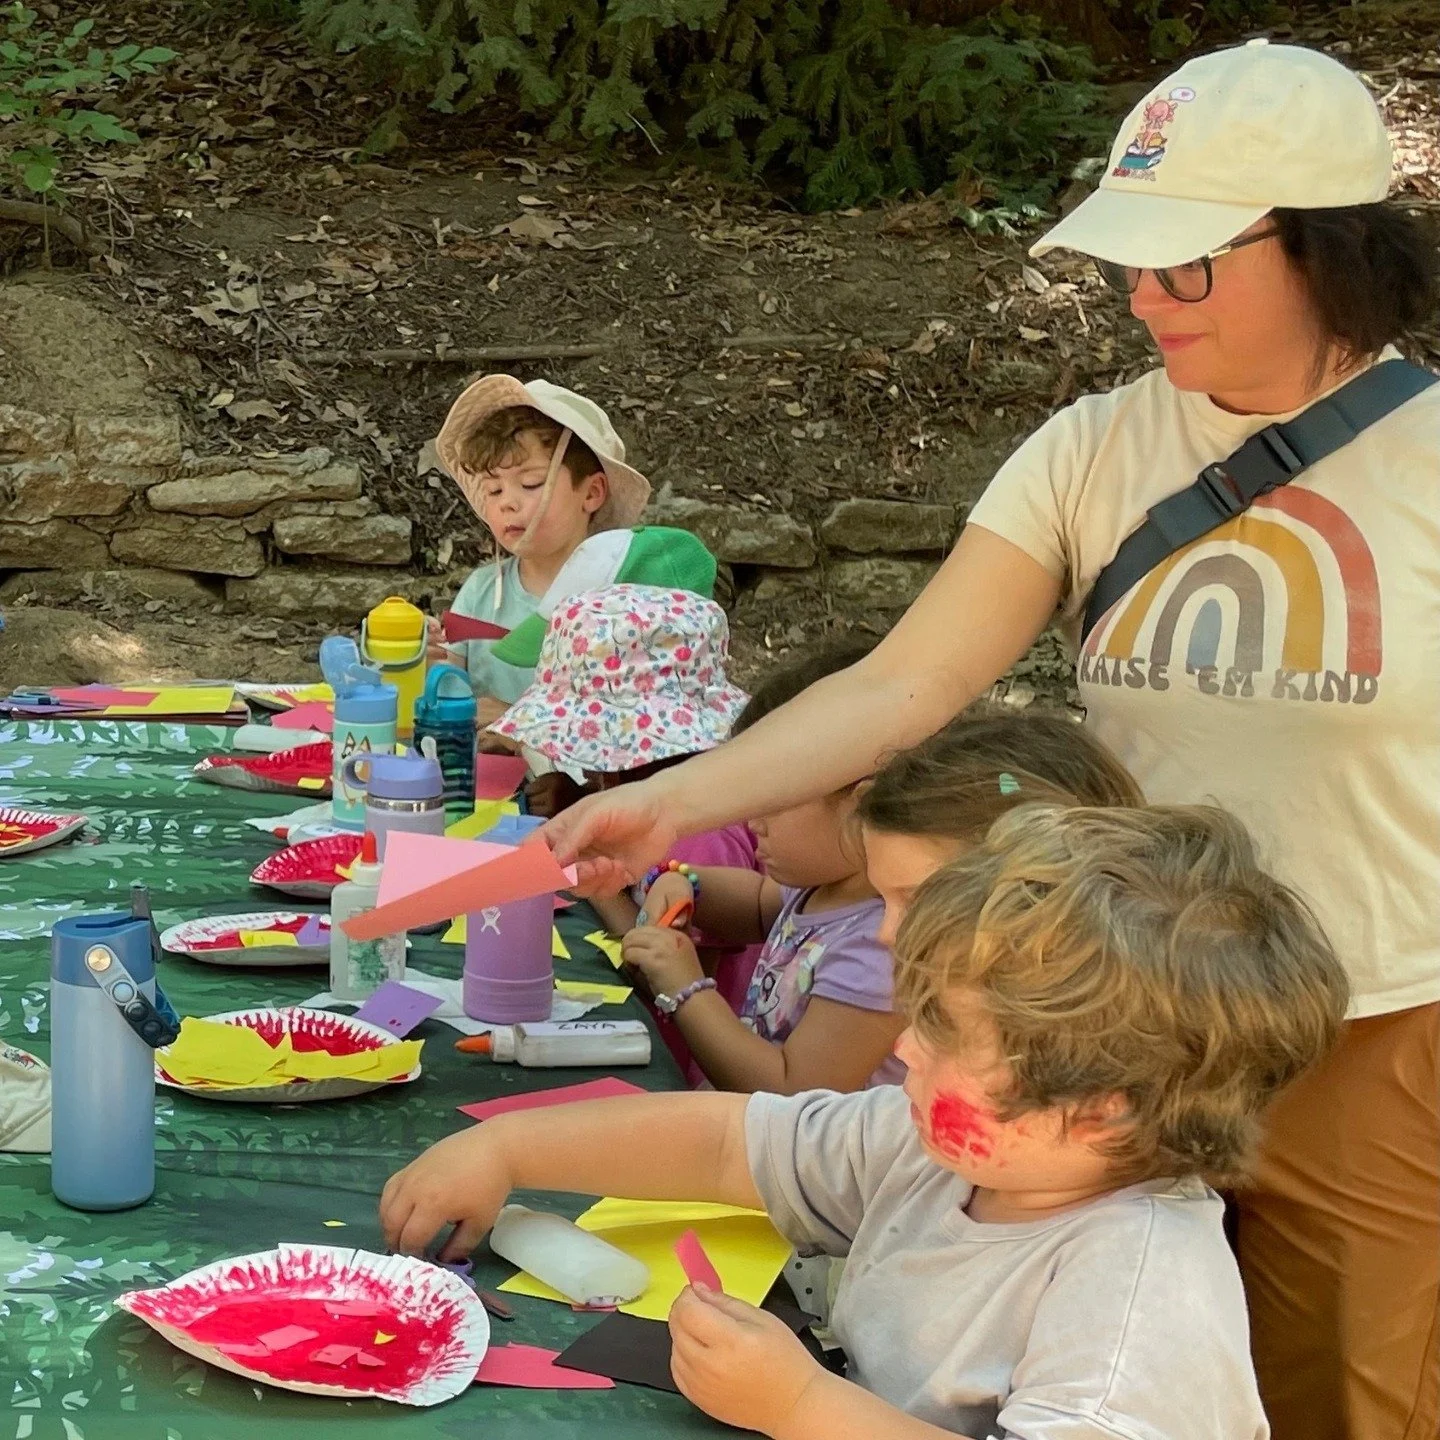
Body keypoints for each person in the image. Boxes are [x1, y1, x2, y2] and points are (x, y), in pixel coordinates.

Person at [543, 42, 1440, 1439]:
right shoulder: (1094, 449)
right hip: (1107, 1023)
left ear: (1332, 246)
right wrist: (673, 800)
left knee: (1345, 1398)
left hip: (1372, 1030)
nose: (1144, 297)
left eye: (1187, 264)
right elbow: (904, 685)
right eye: (1132, 261)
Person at [381, 804, 1350, 1440]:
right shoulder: (943, 1149)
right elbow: (726, 1143)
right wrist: (507, 1147)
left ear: (1101, 1107)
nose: (908, 1049)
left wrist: (802, 1404)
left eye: (944, 1031)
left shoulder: (1140, 1298)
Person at [429, 375, 714, 741]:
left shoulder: (621, 604)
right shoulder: (480, 591)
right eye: (494, 489)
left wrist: (519, 724)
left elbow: (633, 724)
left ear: (591, 493)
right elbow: (445, 690)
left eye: (530, 483)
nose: (507, 502)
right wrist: (424, 662)